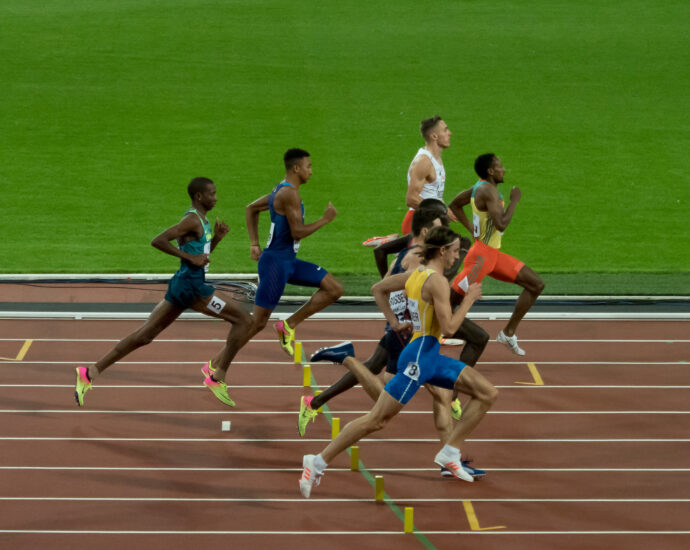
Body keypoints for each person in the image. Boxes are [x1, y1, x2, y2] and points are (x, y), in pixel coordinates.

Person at [298, 226, 497, 498]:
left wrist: (394, 322)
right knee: (376, 420)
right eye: (454, 252)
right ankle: (317, 461)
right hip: (419, 358)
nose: (456, 258)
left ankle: (450, 452)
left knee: (487, 393)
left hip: (426, 354)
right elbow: (450, 328)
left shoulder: (417, 274)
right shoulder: (436, 281)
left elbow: (378, 288)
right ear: (441, 251)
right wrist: (469, 300)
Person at [74, 177, 251, 407]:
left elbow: (201, 258)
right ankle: (217, 376)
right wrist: (189, 257)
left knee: (144, 335)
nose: (216, 198)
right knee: (244, 321)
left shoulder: (203, 222)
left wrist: (216, 239)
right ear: (199, 196)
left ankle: (90, 373)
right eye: (212, 194)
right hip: (193, 288)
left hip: (182, 285)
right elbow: (158, 241)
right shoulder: (191, 220)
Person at [243, 148, 343, 356]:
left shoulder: (282, 190)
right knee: (257, 323)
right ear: (296, 168)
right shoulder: (289, 193)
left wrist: (254, 243)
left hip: (288, 262)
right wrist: (325, 219)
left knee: (334, 289)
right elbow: (297, 232)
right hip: (275, 264)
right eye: (309, 166)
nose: (311, 171)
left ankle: (288, 325)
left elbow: (250, 208)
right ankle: (216, 365)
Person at [449, 153, 545, 355]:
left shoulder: (479, 187)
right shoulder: (489, 191)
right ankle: (422, 333)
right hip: (481, 258)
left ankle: (508, 333)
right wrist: (514, 201)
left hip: (492, 256)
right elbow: (501, 225)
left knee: (536, 284)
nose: (504, 170)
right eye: (500, 166)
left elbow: (455, 204)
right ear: (491, 171)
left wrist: (472, 231)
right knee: (451, 302)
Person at [401, 116, 457, 235]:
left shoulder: (436, 158)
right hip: (418, 225)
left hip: (432, 221)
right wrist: (441, 211)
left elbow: (432, 193)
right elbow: (411, 199)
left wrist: (443, 209)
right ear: (434, 136)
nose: (450, 133)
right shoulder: (424, 161)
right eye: (445, 130)